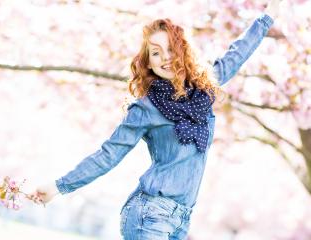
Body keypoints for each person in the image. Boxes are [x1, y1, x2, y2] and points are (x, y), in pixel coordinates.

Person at [28, 1, 283, 239]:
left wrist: (267, 17)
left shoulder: (204, 88)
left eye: (170, 49)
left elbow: (236, 54)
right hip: (149, 214)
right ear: (148, 61)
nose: (165, 59)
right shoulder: (146, 107)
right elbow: (108, 154)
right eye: (156, 53)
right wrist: (58, 186)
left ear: (182, 50)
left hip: (181, 218)